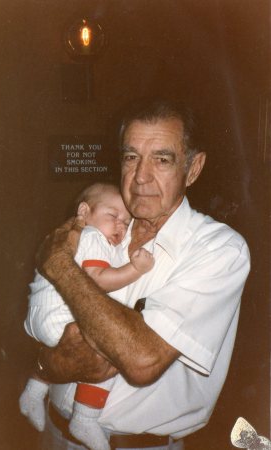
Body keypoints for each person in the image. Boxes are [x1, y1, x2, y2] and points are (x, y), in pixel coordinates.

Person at [26, 98, 250, 450]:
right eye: (131, 157)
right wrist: (46, 366)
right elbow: (51, 323)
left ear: (193, 169)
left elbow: (142, 360)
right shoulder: (103, 227)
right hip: (53, 434)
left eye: (162, 159)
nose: (141, 177)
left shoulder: (218, 249)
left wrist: (60, 266)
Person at [22, 182, 154, 450]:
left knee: (72, 350)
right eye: (113, 216)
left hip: (42, 317)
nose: (120, 226)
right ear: (85, 211)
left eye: (126, 222)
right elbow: (98, 280)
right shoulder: (93, 236)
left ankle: (32, 393)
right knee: (112, 347)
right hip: (58, 317)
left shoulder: (83, 235)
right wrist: (136, 269)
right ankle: (84, 417)